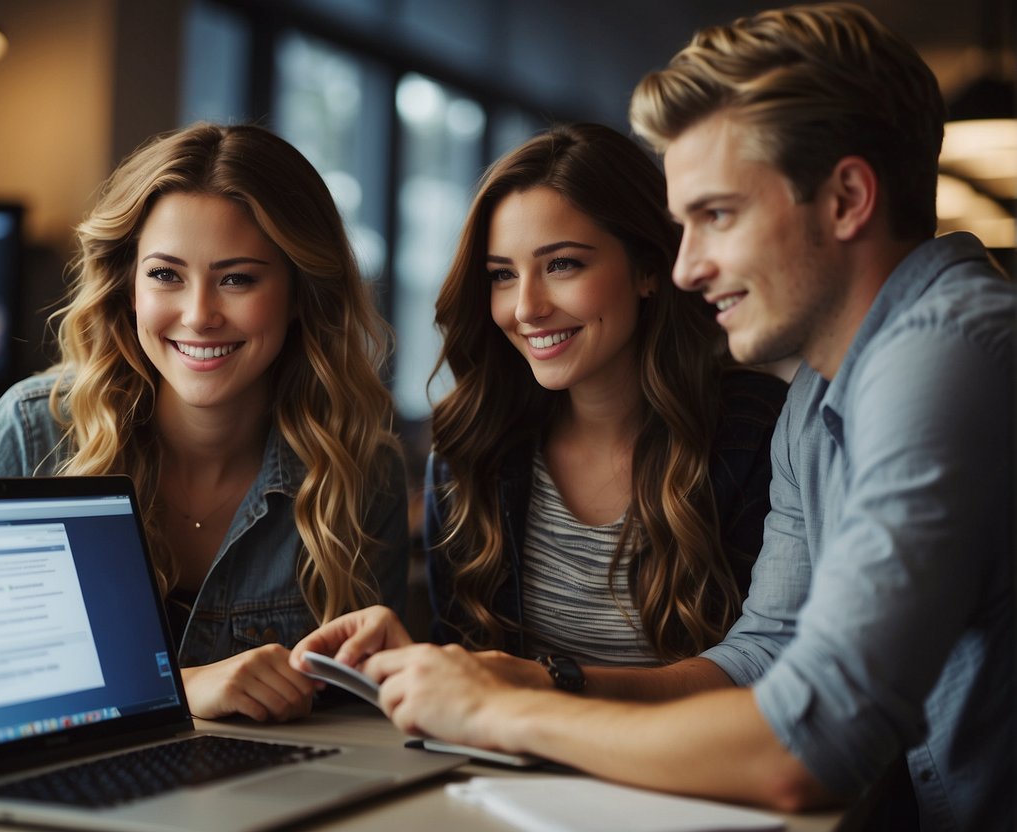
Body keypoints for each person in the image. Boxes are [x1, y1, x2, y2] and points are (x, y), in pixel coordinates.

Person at [292, 4, 1015, 830]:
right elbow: (762, 656)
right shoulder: (821, 391)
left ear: (846, 197)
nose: (687, 267)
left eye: (716, 216)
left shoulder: (947, 357)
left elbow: (809, 744)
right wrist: (512, 678)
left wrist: (496, 714)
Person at [0, 122, 409, 737]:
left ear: (300, 293)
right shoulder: (33, 429)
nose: (198, 315)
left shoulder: (360, 472)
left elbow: (364, 721)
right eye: (165, 275)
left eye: (238, 279)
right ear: (127, 285)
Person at [424, 122, 785, 688]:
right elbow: (461, 681)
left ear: (646, 269)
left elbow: (772, 675)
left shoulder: (755, 432)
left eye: (562, 264)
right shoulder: (475, 444)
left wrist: (551, 689)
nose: (526, 308)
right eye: (501, 275)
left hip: (693, 771)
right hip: (503, 770)